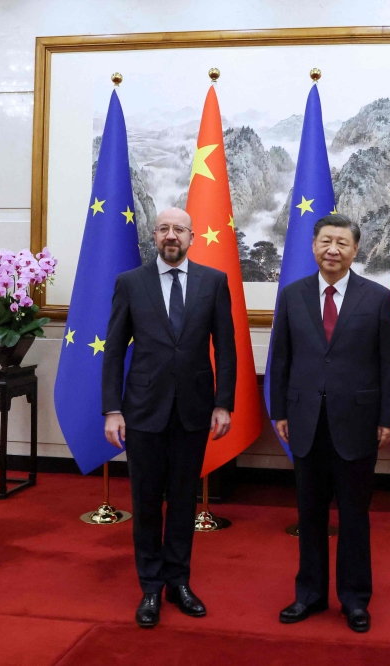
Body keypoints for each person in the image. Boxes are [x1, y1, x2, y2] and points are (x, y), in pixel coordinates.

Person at [102, 207, 237, 629]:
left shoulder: (213, 282)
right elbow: (114, 350)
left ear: (192, 237)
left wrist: (223, 402)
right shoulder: (131, 283)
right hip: (142, 411)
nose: (171, 236)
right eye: (163, 229)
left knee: (182, 502)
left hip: (194, 411)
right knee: (145, 503)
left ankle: (179, 581)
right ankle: (150, 587)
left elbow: (227, 347)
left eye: (179, 229)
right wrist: (112, 409)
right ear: (154, 236)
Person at [269, 213, 390, 633]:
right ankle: (308, 595)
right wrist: (280, 412)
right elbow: (281, 358)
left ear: (355, 250)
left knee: (354, 516)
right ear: (313, 246)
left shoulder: (378, 297)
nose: (333, 249)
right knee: (309, 514)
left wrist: (389, 418)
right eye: (326, 241)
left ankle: (355, 599)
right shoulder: (292, 295)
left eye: (342, 243)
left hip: (358, 422)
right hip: (305, 420)